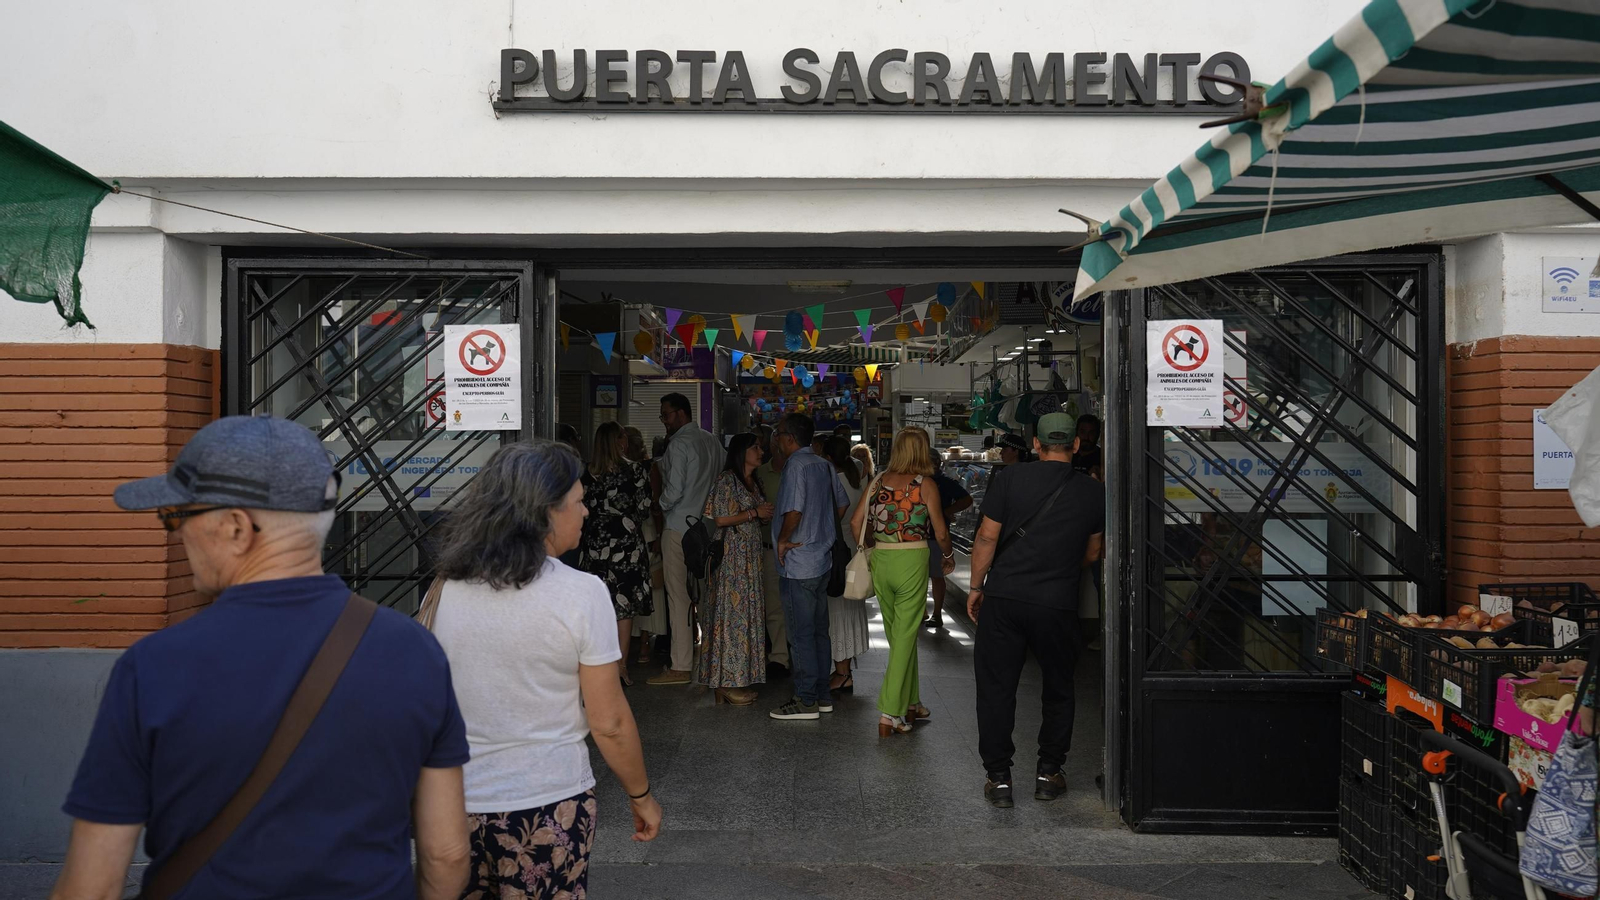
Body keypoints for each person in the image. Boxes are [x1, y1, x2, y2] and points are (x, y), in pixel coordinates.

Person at [52, 415, 471, 900]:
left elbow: (92, 887)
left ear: (235, 528)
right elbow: (446, 856)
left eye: (177, 516)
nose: (175, 535)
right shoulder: (415, 651)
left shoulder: (154, 668)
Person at [428, 441, 662, 897]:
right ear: (547, 512)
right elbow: (608, 721)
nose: (587, 512)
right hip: (547, 806)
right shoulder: (581, 593)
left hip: (451, 804)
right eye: (578, 502)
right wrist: (641, 796)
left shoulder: (445, 585)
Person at [966, 412, 1105, 809]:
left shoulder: (1008, 479)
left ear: (1037, 445)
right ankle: (1048, 772)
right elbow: (1093, 552)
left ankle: (999, 778)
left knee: (997, 688)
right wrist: (1057, 569)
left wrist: (977, 587)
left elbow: (986, 537)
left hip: (1005, 599)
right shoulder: (1093, 492)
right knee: (1059, 688)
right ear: (1076, 445)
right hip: (1057, 603)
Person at [850, 428, 952, 738]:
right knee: (906, 636)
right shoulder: (925, 485)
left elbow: (856, 522)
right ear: (923, 451)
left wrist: (869, 549)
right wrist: (947, 555)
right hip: (912, 560)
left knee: (899, 637)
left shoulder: (878, 480)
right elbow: (941, 531)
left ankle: (912, 701)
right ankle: (889, 713)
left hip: (881, 559)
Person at [770, 413, 849, 721]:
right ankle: (823, 696)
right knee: (819, 633)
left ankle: (805, 700)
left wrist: (783, 539)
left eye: (778, 434)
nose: (775, 439)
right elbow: (841, 505)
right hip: (822, 559)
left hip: (799, 563)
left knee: (800, 634)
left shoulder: (795, 466)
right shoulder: (823, 464)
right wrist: (824, 529)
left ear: (790, 438)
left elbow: (793, 510)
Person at [696, 433, 776, 705]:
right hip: (732, 558)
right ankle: (726, 681)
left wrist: (762, 513)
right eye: (755, 447)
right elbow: (720, 518)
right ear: (742, 451)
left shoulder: (753, 481)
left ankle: (738, 678)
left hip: (750, 559)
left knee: (746, 616)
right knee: (731, 616)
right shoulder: (726, 479)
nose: (761, 451)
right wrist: (755, 513)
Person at [648, 392, 722, 686]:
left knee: (678, 597)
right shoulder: (712, 441)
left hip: (679, 526)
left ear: (680, 414)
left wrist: (659, 504)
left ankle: (680, 665)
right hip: (708, 528)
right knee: (705, 594)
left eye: (665, 415)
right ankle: (709, 656)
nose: (664, 421)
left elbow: (674, 490)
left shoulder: (679, 444)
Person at [580, 421, 654, 686]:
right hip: (626, 543)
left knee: (599, 605)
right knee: (624, 606)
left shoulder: (586, 473)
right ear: (620, 441)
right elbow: (645, 507)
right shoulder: (636, 471)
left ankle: (600, 664)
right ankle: (621, 665)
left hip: (596, 544)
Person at [823, 435, 870, 692]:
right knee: (850, 613)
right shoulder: (858, 480)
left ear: (829, 458)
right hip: (854, 552)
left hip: (836, 552)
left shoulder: (834, 482)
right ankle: (846, 670)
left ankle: (841, 673)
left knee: (836, 613)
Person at [754, 434, 792, 675]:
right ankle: (779, 656)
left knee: (797, 605)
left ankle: (794, 652)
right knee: (773, 605)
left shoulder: (797, 471)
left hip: (797, 548)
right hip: (768, 546)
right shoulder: (759, 475)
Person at [924, 447, 974, 629]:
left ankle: (935, 613)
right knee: (928, 577)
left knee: (935, 577)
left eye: (935, 461)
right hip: (925, 535)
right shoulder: (922, 481)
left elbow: (967, 500)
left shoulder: (942, 482)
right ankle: (928, 612)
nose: (934, 465)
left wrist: (946, 511)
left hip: (934, 535)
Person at [1073, 413, 1103, 481]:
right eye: (1083, 432)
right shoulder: (1068, 454)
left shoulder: (1102, 458)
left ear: (1097, 434)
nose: (1086, 437)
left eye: (1091, 433)